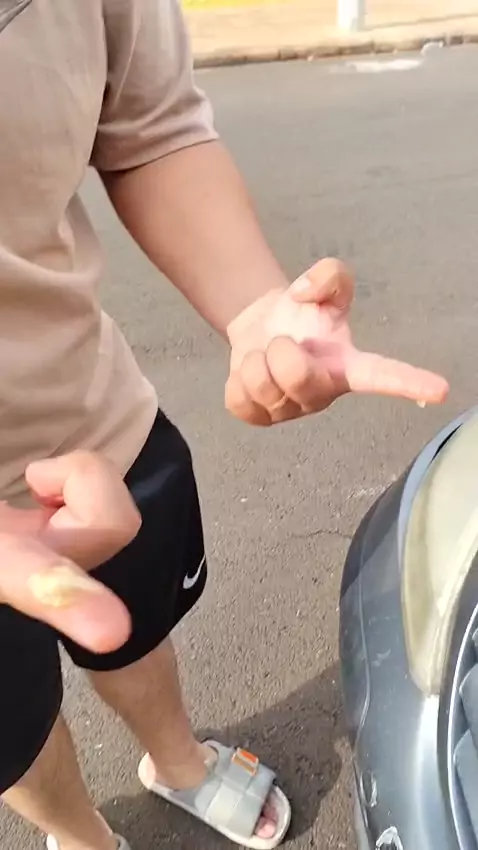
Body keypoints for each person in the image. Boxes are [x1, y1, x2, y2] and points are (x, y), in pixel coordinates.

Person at [0, 1, 449, 849]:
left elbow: (150, 128)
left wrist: (255, 311)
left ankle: (177, 762)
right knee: (11, 729)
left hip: (92, 419)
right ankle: (81, 834)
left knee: (136, 628)